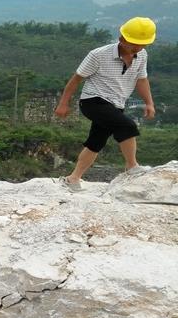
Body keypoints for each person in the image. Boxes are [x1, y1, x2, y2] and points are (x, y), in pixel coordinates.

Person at [54, 17, 157, 190]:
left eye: (142, 45)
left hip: (116, 104)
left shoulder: (142, 56)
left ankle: (73, 178)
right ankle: (132, 166)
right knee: (128, 125)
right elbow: (76, 79)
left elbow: (142, 80)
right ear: (122, 38)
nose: (137, 49)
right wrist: (63, 103)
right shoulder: (98, 55)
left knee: (96, 141)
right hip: (92, 101)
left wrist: (149, 103)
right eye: (133, 44)